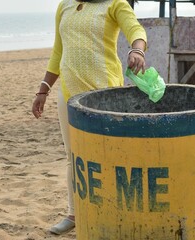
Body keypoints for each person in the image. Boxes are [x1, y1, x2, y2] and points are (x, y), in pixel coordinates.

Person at [31, 0, 147, 235]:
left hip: (104, 93)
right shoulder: (65, 6)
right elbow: (58, 51)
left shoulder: (115, 4)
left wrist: (137, 49)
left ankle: (115, 213)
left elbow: (136, 29)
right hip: (68, 92)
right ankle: (74, 214)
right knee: (73, 156)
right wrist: (43, 89)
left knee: (110, 155)